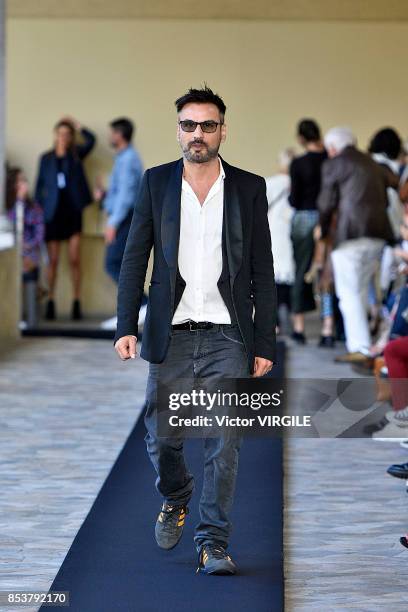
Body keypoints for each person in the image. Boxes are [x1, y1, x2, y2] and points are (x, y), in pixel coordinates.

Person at [113, 86, 276, 575]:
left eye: (208, 125)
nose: (198, 134)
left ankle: (214, 543)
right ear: (178, 129)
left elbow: (263, 270)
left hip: (230, 334)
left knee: (225, 441)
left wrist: (264, 341)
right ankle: (176, 493)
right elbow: (133, 259)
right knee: (162, 437)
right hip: (174, 333)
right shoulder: (156, 182)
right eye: (189, 125)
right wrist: (127, 324)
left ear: (223, 129)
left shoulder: (249, 187)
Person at [318, 127, 397, 363]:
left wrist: (323, 229)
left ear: (332, 148)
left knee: (348, 292)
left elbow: (325, 202)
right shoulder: (372, 163)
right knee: (361, 289)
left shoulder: (335, 163)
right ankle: (365, 345)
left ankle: (360, 349)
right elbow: (393, 182)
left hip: (350, 234)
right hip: (378, 233)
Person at [35, 116, 95, 321]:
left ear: (71, 137)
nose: (63, 137)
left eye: (67, 134)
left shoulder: (76, 155)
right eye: (60, 133)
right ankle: (50, 300)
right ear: (55, 135)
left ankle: (76, 302)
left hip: (72, 212)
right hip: (52, 214)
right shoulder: (46, 159)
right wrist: (39, 213)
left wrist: (78, 125)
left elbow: (91, 140)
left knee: (74, 259)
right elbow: (39, 188)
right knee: (52, 261)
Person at [289, 119, 334, 345]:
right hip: (328, 219)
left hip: (303, 218)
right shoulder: (330, 159)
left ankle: (299, 328)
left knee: (300, 271)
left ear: (301, 138)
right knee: (326, 274)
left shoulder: (298, 163)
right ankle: (328, 329)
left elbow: (294, 199)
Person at [94, 117, 144, 285]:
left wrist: (113, 224)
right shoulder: (123, 158)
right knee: (120, 265)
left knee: (113, 264)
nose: (109, 137)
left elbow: (126, 196)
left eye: (112, 133)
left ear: (120, 135)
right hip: (124, 218)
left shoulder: (128, 159)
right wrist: (105, 195)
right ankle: (139, 307)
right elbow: (122, 191)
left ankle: (144, 306)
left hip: (125, 219)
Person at [6, 167, 45, 326]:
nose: (24, 184)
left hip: (29, 252)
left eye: (24, 180)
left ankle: (27, 318)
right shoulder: (8, 206)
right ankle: (14, 318)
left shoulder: (34, 207)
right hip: (12, 251)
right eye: (20, 181)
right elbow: (9, 225)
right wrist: (18, 202)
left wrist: (26, 247)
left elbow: (39, 234)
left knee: (26, 265)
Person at [265, 148, 296, 333]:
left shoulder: (270, 183)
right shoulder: (299, 184)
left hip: (272, 231)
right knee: (290, 273)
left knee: (272, 276)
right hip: (290, 231)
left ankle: (274, 323)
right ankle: (294, 318)